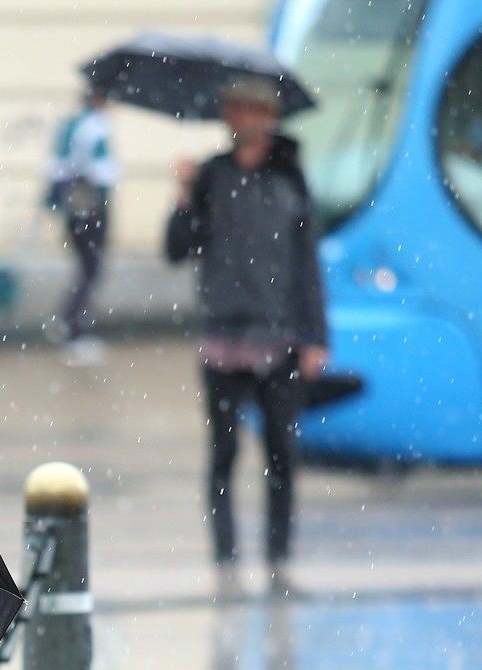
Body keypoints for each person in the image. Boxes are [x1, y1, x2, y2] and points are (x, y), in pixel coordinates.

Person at [165, 75, 328, 596]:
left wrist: (314, 335)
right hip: (222, 338)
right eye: (234, 110)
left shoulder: (291, 179)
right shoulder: (210, 176)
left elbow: (307, 265)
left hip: (279, 338)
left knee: (282, 454)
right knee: (223, 453)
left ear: (269, 118)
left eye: (251, 111)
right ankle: (226, 563)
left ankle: (279, 562)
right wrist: (184, 197)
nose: (242, 120)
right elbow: (174, 248)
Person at [45, 88, 119, 364]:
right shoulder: (92, 127)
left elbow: (56, 167)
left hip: (78, 207)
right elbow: (91, 167)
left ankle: (70, 324)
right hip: (89, 207)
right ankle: (71, 327)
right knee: (91, 268)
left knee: (87, 267)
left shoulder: (73, 126)